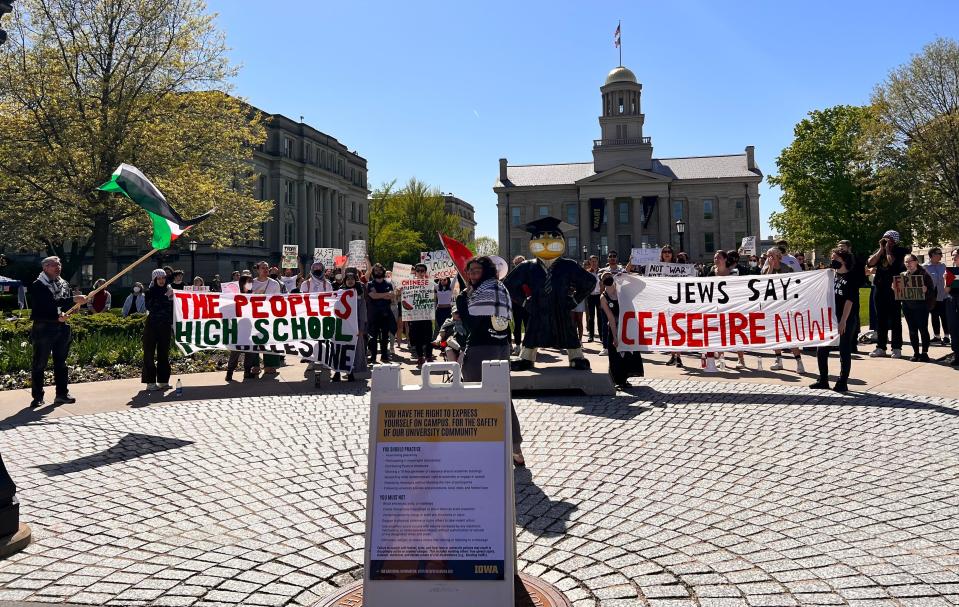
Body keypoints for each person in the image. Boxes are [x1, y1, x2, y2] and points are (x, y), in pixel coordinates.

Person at [457, 256, 525, 466]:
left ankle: (482, 447)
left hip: (479, 350)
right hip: (501, 349)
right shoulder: (499, 288)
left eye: (476, 270)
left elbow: (471, 326)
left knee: (476, 398)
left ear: (485, 271)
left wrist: (461, 300)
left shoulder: (479, 293)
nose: (471, 275)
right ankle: (515, 447)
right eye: (469, 271)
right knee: (503, 396)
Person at [28, 256, 88, 408]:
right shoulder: (38, 285)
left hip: (62, 328)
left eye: (59, 264)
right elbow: (47, 305)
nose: (58, 267)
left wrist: (73, 310)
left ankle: (61, 394)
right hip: (44, 328)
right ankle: (37, 397)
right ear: (45, 268)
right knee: (39, 364)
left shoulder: (64, 284)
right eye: (54, 265)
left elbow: (65, 303)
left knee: (61, 363)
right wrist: (72, 301)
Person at [811, 249, 858, 392]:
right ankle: (823, 379)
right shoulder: (832, 275)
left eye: (835, 258)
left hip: (846, 318)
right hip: (830, 317)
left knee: (844, 350)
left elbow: (850, 301)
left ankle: (843, 381)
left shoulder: (851, 277)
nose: (832, 261)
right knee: (822, 348)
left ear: (843, 260)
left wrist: (843, 320)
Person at [867, 230, 910, 358]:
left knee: (895, 319)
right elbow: (870, 262)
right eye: (884, 238)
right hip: (879, 287)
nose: (886, 241)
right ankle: (880, 347)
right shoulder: (880, 250)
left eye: (889, 239)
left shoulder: (902, 251)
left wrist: (888, 250)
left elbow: (893, 264)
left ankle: (896, 347)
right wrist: (881, 250)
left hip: (894, 288)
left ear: (895, 240)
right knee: (880, 319)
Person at [599, 271, 644, 389]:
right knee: (616, 355)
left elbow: (640, 284)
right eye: (605, 277)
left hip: (628, 327)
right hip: (615, 328)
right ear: (602, 281)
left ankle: (625, 379)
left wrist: (626, 275)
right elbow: (611, 318)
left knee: (629, 353)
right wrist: (615, 336)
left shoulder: (622, 291)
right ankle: (618, 381)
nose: (608, 278)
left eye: (610, 276)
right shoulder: (603, 298)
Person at [763, 248, 805, 373]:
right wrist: (770, 268)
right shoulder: (766, 270)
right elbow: (764, 283)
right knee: (775, 335)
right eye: (768, 255)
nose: (769, 258)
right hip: (772, 306)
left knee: (790, 334)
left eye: (772, 255)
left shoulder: (787, 268)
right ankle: (778, 359)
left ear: (778, 256)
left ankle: (798, 361)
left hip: (786, 305)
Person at [706, 251, 746, 368]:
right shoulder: (711, 274)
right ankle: (721, 357)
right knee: (719, 333)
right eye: (714, 258)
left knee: (736, 333)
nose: (716, 260)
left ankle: (741, 359)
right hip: (717, 308)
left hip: (733, 307)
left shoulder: (734, 272)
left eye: (718, 257)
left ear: (724, 259)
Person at [899, 254, 936, 362]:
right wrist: (896, 288)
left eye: (910, 261)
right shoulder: (903, 275)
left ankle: (924, 353)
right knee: (912, 330)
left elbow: (932, 292)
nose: (908, 264)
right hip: (907, 307)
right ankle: (915, 353)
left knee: (923, 329)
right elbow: (900, 293)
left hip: (921, 307)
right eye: (906, 262)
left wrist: (926, 290)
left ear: (916, 262)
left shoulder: (924, 275)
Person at [332, 269, 366, 382]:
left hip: (354, 327)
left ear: (355, 280)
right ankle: (337, 372)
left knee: (352, 349)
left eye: (352, 279)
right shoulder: (339, 292)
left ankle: (350, 372)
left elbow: (362, 312)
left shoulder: (359, 293)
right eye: (348, 279)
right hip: (340, 326)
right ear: (344, 281)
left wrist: (361, 328)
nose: (350, 281)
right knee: (339, 349)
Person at [143, 268, 174, 391]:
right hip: (152, 325)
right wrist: (165, 296)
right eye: (158, 278)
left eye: (163, 278)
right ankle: (150, 382)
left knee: (164, 354)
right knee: (149, 353)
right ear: (154, 279)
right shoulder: (149, 291)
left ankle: (163, 381)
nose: (161, 280)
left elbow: (173, 309)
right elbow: (151, 306)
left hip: (165, 325)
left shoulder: (170, 291)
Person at [251, 261, 283, 374]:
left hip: (269, 316)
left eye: (267, 268)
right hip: (253, 316)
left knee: (269, 340)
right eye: (263, 268)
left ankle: (270, 365)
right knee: (254, 341)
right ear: (257, 269)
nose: (265, 270)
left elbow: (277, 300)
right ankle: (254, 365)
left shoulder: (274, 284)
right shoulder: (251, 283)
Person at [225, 275, 259, 381]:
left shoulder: (252, 294)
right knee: (236, 349)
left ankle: (247, 372)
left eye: (251, 282)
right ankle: (229, 372)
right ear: (243, 283)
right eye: (249, 282)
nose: (251, 284)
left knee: (251, 348)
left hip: (250, 325)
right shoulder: (234, 294)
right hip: (238, 325)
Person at [404, 263, 435, 368]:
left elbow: (439, 289)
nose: (421, 273)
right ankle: (420, 357)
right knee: (417, 338)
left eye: (423, 271)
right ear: (415, 272)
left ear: (425, 272)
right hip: (414, 315)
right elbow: (402, 294)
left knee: (428, 337)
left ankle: (429, 356)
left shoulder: (430, 283)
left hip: (426, 315)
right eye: (419, 271)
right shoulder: (408, 283)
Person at [367, 263, 396, 363]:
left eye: (380, 270)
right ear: (373, 272)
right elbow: (373, 296)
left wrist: (379, 295)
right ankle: (373, 356)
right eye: (376, 271)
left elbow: (392, 296)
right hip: (374, 314)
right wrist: (385, 295)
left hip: (386, 314)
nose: (378, 272)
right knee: (373, 337)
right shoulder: (370, 284)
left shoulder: (388, 283)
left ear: (383, 271)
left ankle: (384, 355)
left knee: (385, 337)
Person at [924, 248, 950, 346]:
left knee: (944, 316)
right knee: (934, 316)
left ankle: (947, 337)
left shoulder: (943, 266)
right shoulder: (924, 267)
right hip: (931, 296)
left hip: (943, 295)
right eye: (939, 254)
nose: (941, 255)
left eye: (941, 253)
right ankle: (937, 336)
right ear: (932, 255)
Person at [510, 255, 529, 354]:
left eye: (521, 262)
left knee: (528, 325)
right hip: (517, 304)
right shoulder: (512, 276)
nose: (519, 264)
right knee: (517, 325)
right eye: (517, 263)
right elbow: (510, 290)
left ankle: (528, 346)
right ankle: (517, 346)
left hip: (528, 304)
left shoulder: (529, 274)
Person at [945, 249, 959, 368]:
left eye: (956, 255)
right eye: (953, 256)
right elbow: (946, 290)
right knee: (954, 327)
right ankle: (957, 354)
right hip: (952, 301)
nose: (954, 258)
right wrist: (947, 281)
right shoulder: (950, 271)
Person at [584, 255, 601, 344]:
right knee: (591, 316)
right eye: (592, 261)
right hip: (590, 296)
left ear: (598, 262)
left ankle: (601, 335)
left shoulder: (601, 272)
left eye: (595, 261)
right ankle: (591, 335)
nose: (594, 263)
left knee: (600, 315)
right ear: (589, 262)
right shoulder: (587, 272)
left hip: (599, 296)